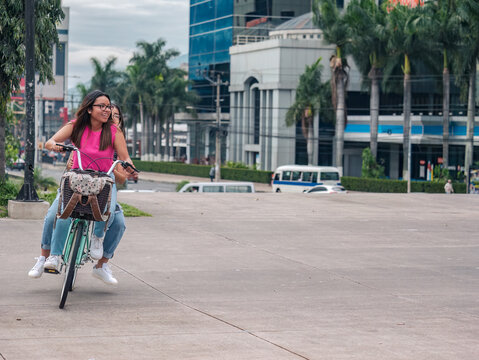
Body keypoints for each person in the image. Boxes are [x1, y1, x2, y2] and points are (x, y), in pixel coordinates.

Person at [28, 90, 137, 284]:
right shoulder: (77, 125)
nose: (107, 110)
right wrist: (56, 146)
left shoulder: (113, 131)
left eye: (108, 106)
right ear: (89, 109)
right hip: (76, 179)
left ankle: (97, 240)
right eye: (102, 106)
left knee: (111, 213)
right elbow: (50, 142)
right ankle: (51, 256)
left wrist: (130, 167)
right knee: (59, 213)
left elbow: (124, 157)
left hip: (103, 181)